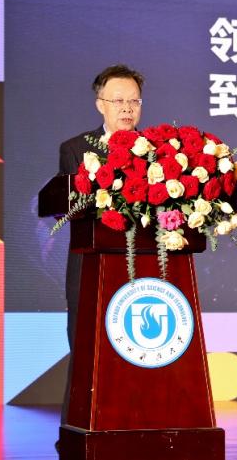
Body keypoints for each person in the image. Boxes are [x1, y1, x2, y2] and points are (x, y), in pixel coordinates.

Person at [56, 64, 145, 421]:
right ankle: (79, 430)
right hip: (91, 267)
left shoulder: (162, 152)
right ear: (100, 105)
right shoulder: (76, 149)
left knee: (139, 354)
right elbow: (72, 205)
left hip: (144, 271)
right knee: (87, 356)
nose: (127, 109)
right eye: (118, 101)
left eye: (134, 101)